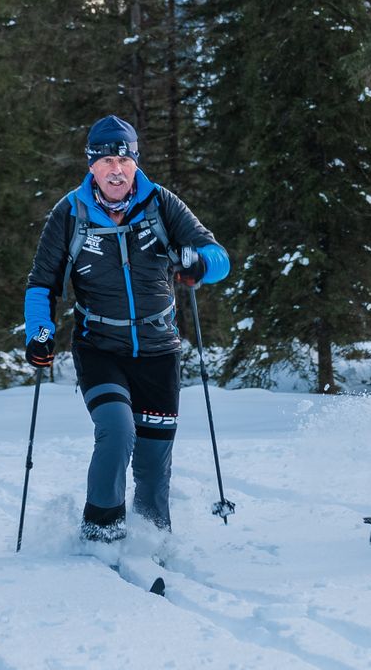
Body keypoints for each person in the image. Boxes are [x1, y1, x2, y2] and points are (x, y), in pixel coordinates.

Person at [23, 116, 230, 544]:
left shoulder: (163, 204)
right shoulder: (69, 214)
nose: (116, 169)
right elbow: (42, 285)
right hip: (100, 346)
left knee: (154, 463)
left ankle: (152, 540)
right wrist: (38, 332)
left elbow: (218, 256)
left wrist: (200, 263)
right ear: (91, 165)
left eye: (125, 159)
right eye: (106, 161)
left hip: (158, 349)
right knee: (117, 430)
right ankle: (101, 531)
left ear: (135, 162)